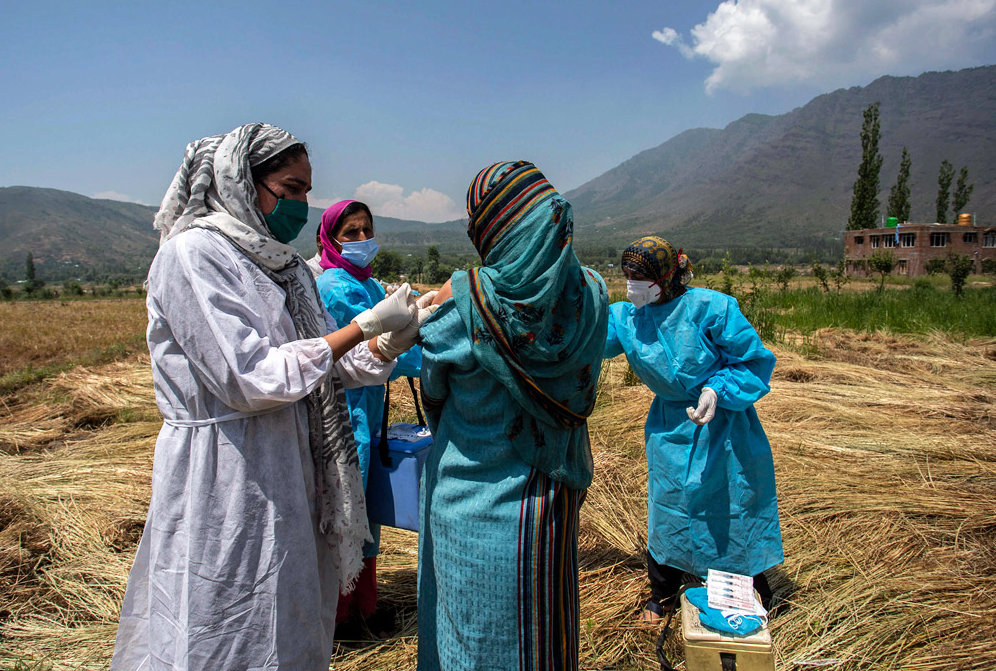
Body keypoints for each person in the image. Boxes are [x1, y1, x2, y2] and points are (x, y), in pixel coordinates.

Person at [110, 123, 424, 671]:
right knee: (226, 617)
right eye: (290, 188)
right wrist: (361, 326)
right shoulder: (194, 255)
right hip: (228, 472)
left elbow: (324, 367)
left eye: (307, 190)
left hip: (291, 466)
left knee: (289, 613)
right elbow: (248, 378)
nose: (301, 204)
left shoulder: (282, 267)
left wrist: (385, 342)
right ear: (239, 181)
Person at [417, 161, 609, 670]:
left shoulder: (464, 303)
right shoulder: (592, 294)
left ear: (491, 228)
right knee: (543, 632)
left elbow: (433, 394)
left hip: (470, 505)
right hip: (551, 501)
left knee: (471, 639)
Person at [603, 236, 783, 622]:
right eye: (627, 275)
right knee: (668, 506)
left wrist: (716, 390)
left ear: (667, 276)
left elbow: (753, 363)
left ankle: (748, 591)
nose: (632, 282)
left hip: (723, 427)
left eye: (641, 275)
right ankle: (663, 592)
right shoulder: (627, 319)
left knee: (728, 507)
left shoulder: (712, 309)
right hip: (669, 428)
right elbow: (583, 338)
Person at [314, 199, 429, 637]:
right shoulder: (336, 287)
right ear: (330, 237)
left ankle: (366, 604)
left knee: (365, 512)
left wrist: (421, 314)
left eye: (367, 230)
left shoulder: (365, 283)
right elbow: (370, 354)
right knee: (346, 510)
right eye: (351, 233)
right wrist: (418, 345)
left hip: (368, 412)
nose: (363, 240)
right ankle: (341, 616)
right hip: (344, 414)